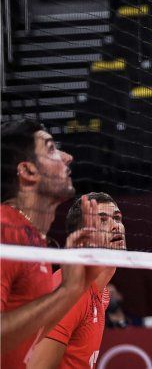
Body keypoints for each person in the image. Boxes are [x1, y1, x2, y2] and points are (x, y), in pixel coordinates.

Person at [1, 120, 103, 369]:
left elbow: (26, 335)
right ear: (27, 171)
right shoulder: (5, 231)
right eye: (50, 149)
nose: (67, 157)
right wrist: (67, 291)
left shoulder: (33, 240)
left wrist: (76, 288)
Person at [26, 192, 125, 369]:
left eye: (117, 218)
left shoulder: (102, 295)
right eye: (102, 220)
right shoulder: (71, 294)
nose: (115, 226)